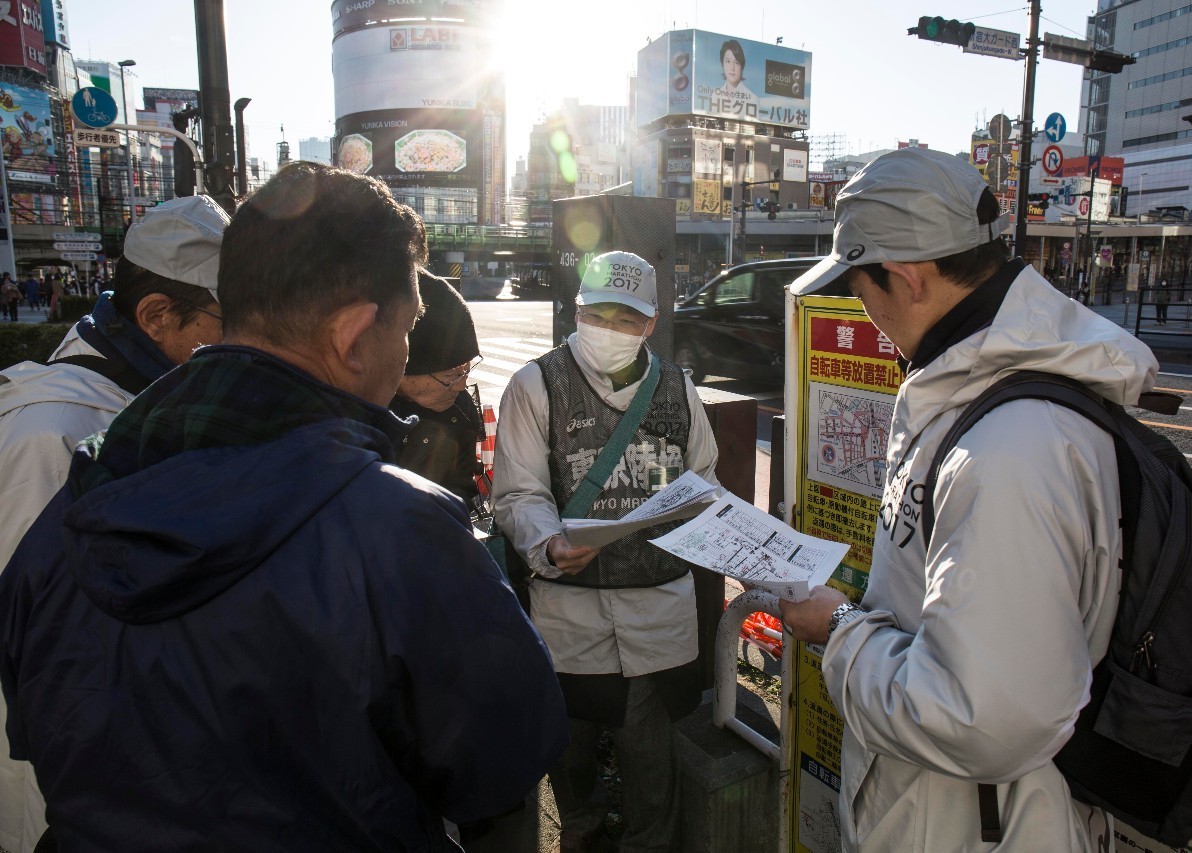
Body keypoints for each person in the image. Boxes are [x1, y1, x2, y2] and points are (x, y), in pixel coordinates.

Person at [0, 162, 567, 851]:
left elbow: (36, 730)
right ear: (353, 336)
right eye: (410, 325)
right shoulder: (405, 533)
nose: (408, 349)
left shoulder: (66, 508)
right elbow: (501, 770)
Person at [780, 147, 1158, 852]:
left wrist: (837, 629)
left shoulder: (1011, 448)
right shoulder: (978, 388)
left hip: (972, 827)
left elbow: (976, 715)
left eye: (863, 293)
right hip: (949, 812)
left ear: (906, 277)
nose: (866, 315)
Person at [0, 194, 230, 853]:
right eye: (230, 321)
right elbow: (43, 659)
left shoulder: (149, 400)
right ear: (156, 316)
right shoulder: (52, 433)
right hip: (69, 796)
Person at [492, 250, 720, 853]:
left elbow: (704, 482)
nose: (611, 329)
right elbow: (517, 491)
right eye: (600, 314)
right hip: (569, 617)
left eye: (627, 319)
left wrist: (740, 537)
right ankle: (582, 840)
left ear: (650, 323)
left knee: (652, 767)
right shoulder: (535, 385)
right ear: (577, 311)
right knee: (572, 762)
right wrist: (549, 541)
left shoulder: (677, 389)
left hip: (658, 614)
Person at [390, 272, 485, 512]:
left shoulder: (459, 408)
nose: (462, 385)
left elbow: (462, 483)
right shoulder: (359, 414)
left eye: (467, 369)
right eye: (450, 376)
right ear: (403, 366)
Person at [713, 39, 758, 118]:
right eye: (728, 61)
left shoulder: (752, 99)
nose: (732, 68)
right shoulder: (715, 96)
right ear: (722, 64)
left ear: (742, 66)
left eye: (736, 62)